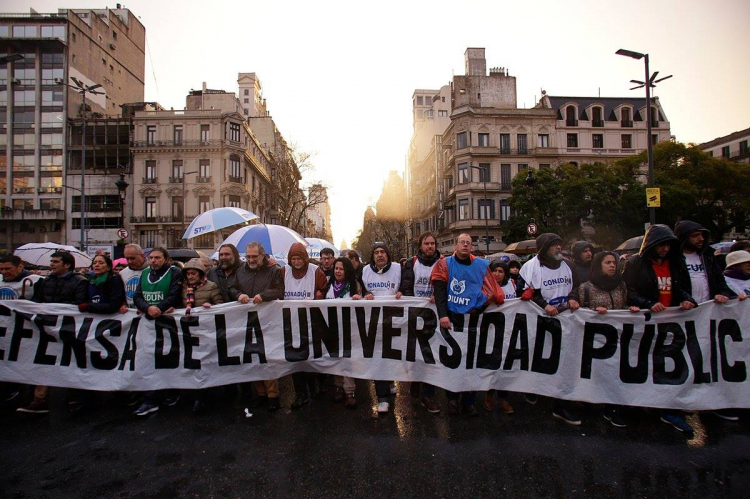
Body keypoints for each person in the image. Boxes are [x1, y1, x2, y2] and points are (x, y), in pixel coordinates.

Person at [622, 224, 698, 435]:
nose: (664, 249)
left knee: (670, 366)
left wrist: (686, 299)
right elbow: (628, 290)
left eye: (668, 245)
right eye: (661, 245)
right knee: (644, 363)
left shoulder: (674, 263)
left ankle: (670, 408)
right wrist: (647, 303)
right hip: (647, 322)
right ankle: (641, 404)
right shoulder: (636, 263)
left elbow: (680, 287)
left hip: (672, 322)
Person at [431, 233, 504, 416]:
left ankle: (469, 401)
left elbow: (490, 290)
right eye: (462, 242)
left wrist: (478, 308)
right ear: (455, 245)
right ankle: (453, 399)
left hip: (473, 320)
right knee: (453, 361)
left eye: (468, 243)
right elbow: (439, 292)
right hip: (452, 320)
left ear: (471, 246)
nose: (465, 245)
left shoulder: (480, 265)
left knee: (471, 361)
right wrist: (443, 315)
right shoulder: (444, 264)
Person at [518, 233, 581, 425]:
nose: (559, 248)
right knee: (538, 358)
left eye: (560, 245)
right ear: (544, 248)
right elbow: (523, 291)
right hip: (539, 323)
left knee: (563, 363)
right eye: (554, 246)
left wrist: (573, 297)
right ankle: (532, 388)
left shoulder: (568, 266)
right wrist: (543, 304)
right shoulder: (529, 268)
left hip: (564, 323)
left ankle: (560, 405)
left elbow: (577, 286)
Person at [17, 251, 87, 414]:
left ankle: (74, 394)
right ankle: (40, 399)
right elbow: (38, 300)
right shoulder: (46, 281)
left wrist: (56, 308)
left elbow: (79, 303)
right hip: (47, 327)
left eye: (56, 262)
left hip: (69, 328)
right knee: (44, 361)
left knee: (70, 361)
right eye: (52, 261)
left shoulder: (80, 281)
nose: (52, 264)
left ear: (67, 265)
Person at [576, 251, 640, 427]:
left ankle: (613, 407)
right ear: (598, 266)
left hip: (618, 340)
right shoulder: (586, 288)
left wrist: (630, 309)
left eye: (614, 262)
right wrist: (594, 313)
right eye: (608, 263)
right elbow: (578, 314)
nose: (613, 266)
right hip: (596, 342)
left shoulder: (621, 286)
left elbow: (623, 305)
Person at [229, 241, 284, 413]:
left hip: (268, 322)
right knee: (252, 357)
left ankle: (273, 395)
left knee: (268, 357)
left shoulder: (274, 271)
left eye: (254, 256)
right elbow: (231, 288)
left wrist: (264, 295)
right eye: (248, 257)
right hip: (247, 321)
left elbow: (280, 291)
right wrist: (239, 295)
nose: (251, 260)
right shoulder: (240, 271)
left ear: (262, 255)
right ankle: (261, 393)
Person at [71, 254, 126, 416]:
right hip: (91, 327)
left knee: (111, 361)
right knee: (88, 362)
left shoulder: (114, 281)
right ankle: (87, 399)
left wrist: (88, 307)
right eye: (95, 263)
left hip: (110, 327)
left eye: (101, 263)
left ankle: (116, 395)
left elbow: (113, 305)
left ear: (108, 267)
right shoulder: (88, 281)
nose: (97, 265)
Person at [132, 247, 184, 417]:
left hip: (167, 323)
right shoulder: (145, 273)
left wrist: (158, 309)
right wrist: (147, 308)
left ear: (166, 259)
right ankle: (150, 399)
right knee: (148, 359)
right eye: (151, 257)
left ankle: (170, 392)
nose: (153, 260)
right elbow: (137, 296)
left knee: (168, 358)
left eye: (157, 258)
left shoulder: (174, 272)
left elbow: (174, 295)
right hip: (148, 323)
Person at [400, 232, 442, 414]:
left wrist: (438, 296)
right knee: (416, 351)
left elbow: (445, 285)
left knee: (431, 354)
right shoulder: (411, 263)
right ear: (421, 245)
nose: (430, 246)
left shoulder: (442, 263)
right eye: (427, 243)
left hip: (434, 315)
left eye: (433, 243)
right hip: (415, 314)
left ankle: (428, 395)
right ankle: (415, 379)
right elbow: (406, 286)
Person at [282, 243, 327, 410]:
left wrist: (320, 295)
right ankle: (300, 393)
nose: (296, 262)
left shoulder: (316, 272)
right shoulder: (283, 272)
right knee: (294, 361)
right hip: (291, 324)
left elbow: (324, 291)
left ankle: (314, 386)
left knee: (310, 359)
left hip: (311, 324)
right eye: (293, 258)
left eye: (298, 258)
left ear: (305, 258)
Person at [362, 242, 402, 414]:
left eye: (383, 252)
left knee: (391, 355)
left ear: (388, 254)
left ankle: (390, 381)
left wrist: (403, 292)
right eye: (376, 252)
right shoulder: (365, 271)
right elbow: (360, 290)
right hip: (374, 322)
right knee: (378, 358)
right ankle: (383, 397)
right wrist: (364, 295)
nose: (380, 255)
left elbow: (407, 286)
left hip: (394, 321)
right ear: (372, 256)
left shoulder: (398, 268)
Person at [180, 259, 223, 413]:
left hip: (207, 332)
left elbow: (222, 305)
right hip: (189, 332)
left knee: (207, 363)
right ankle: (196, 396)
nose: (190, 276)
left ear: (200, 274)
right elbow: (180, 305)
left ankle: (209, 394)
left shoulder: (211, 287)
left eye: (193, 273)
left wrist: (212, 307)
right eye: (188, 274)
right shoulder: (183, 288)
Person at [0, 255, 42, 404]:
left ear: (20, 266)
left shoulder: (34, 281)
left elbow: (44, 304)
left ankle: (27, 394)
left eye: (8, 269)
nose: (4, 272)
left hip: (24, 331)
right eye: (1, 269)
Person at [325, 257, 363, 408]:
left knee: (348, 359)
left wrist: (358, 298)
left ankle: (349, 390)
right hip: (332, 327)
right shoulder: (329, 285)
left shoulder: (354, 285)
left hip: (349, 328)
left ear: (347, 270)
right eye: (336, 268)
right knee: (336, 358)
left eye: (341, 268)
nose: (338, 271)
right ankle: (338, 386)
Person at [484, 260, 517, 415]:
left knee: (505, 365)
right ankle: (489, 394)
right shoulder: (484, 285)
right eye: (494, 271)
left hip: (508, 331)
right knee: (491, 363)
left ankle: (504, 397)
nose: (497, 274)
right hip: (489, 331)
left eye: (500, 271)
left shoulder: (513, 285)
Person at [119, 244, 149, 311]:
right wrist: (122, 304)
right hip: (130, 313)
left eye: (133, 258)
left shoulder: (152, 270)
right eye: (127, 259)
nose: (130, 261)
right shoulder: (122, 273)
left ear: (142, 256)